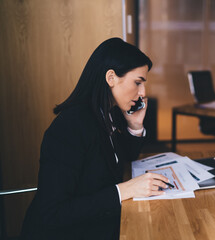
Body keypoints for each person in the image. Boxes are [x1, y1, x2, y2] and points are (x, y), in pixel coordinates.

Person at [21, 38, 170, 240]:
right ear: (111, 78)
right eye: (137, 83)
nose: (143, 93)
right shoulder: (70, 127)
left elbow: (122, 159)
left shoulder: (107, 112)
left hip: (97, 223)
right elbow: (52, 213)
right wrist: (124, 190)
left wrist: (135, 126)